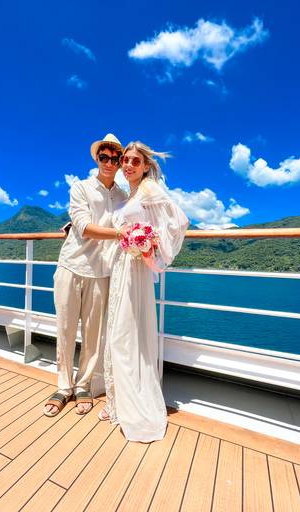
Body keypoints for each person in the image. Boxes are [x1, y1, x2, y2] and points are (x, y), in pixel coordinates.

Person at [98, 141, 189, 442]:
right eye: (125, 160)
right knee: (123, 335)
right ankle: (119, 401)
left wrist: (150, 247)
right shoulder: (132, 193)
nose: (127, 165)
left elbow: (179, 221)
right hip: (122, 268)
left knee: (124, 336)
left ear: (146, 166)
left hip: (135, 269)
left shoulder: (150, 189)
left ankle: (132, 405)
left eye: (135, 161)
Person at [44, 134, 128, 417]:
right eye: (104, 157)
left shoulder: (123, 197)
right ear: (97, 158)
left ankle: (83, 386)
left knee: (93, 336)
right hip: (71, 265)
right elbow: (84, 227)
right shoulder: (81, 187)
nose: (109, 163)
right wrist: (122, 234)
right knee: (65, 330)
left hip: (102, 271)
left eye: (115, 159)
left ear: (120, 162)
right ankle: (63, 386)